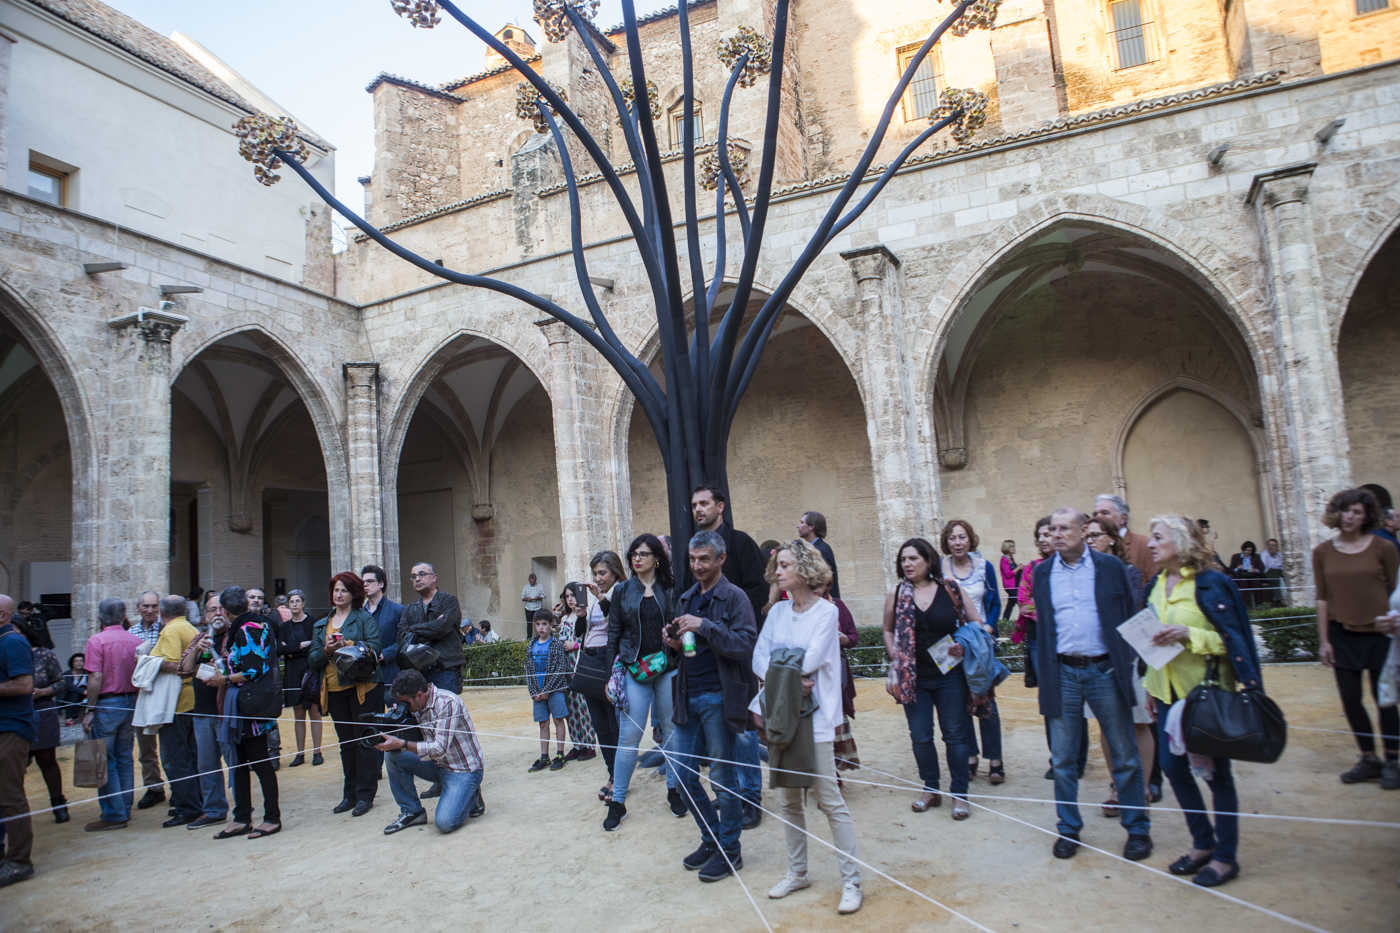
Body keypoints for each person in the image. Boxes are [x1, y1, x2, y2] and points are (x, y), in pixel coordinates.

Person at [1143, 515, 1266, 888]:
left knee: (1216, 776)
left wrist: (1188, 634)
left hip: (1205, 697)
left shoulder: (1213, 584)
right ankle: (1202, 843)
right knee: (1173, 769)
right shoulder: (1155, 584)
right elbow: (1150, 640)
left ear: (1180, 542)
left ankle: (1226, 857)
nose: (1150, 544)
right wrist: (1149, 686)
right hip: (1166, 695)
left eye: (1158, 537)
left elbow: (1233, 641)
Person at [1032, 508, 1152, 861]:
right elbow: (1045, 626)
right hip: (1063, 673)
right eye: (1051, 529)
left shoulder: (1110, 568)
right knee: (1064, 758)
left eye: (1063, 528)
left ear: (1084, 531)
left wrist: (1129, 665)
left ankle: (1137, 829)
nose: (1056, 534)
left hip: (1104, 671)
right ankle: (1068, 829)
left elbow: (1129, 616)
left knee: (1124, 753)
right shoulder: (1042, 573)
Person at [756, 540, 863, 913]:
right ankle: (797, 871)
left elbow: (814, 658)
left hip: (815, 718)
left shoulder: (826, 613)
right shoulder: (777, 613)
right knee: (788, 800)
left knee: (829, 799)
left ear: (804, 569)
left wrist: (781, 669)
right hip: (781, 713)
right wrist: (787, 673)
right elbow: (760, 657)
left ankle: (852, 881)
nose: (779, 571)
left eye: (785, 565)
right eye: (778, 566)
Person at [664, 529, 758, 884]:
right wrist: (675, 644)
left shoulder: (735, 598)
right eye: (692, 559)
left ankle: (730, 850)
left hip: (721, 697)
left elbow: (744, 645)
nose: (697, 565)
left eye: (704, 559)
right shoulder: (686, 597)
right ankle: (712, 838)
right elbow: (689, 651)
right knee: (685, 777)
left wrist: (705, 625)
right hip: (688, 696)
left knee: (722, 777)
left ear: (721, 559)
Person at [1313, 488, 1400, 788]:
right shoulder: (1322, 552)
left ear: (1367, 517)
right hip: (1341, 634)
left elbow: (1396, 589)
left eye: (1357, 512)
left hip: (1380, 635)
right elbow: (1322, 598)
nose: (1349, 517)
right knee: (1351, 700)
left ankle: (1393, 760)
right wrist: (1324, 640)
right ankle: (1368, 758)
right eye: (1345, 510)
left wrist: (1395, 620)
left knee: (1384, 699)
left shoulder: (1383, 548)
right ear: (1337, 512)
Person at [883, 537, 975, 819]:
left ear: (928, 559)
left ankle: (960, 793)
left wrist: (964, 644)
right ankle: (930, 787)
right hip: (914, 678)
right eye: (903, 559)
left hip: (949, 675)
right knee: (921, 736)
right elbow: (887, 629)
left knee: (955, 735)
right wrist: (896, 657)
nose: (907, 564)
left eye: (913, 558)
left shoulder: (951, 589)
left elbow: (977, 623)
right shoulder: (898, 593)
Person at [691, 484, 766, 819]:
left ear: (720, 506)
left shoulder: (742, 544)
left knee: (744, 729)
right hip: (707, 657)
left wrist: (722, 621)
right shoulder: (693, 548)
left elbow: (757, 590)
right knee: (720, 729)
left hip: (736, 651)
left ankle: (750, 797)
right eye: (694, 505)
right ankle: (732, 793)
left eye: (704, 503)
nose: (698, 510)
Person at [605, 533, 679, 831]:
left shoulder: (670, 589)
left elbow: (681, 628)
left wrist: (680, 651)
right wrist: (612, 672)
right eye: (634, 554)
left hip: (667, 668)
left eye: (644, 553)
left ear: (657, 558)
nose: (637, 558)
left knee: (672, 732)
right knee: (628, 738)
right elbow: (613, 634)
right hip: (634, 668)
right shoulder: (623, 590)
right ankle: (617, 801)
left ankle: (675, 790)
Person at [1084, 516, 1156, 815]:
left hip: (1127, 656)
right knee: (1106, 725)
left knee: (1138, 723)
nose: (1089, 540)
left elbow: (1132, 613)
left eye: (1095, 535)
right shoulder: (1084, 574)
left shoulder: (1127, 572)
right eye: (1086, 536)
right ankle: (1116, 786)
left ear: (1112, 538)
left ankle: (1141, 788)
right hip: (1096, 659)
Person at [206, 586, 281, 839]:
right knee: (238, 761)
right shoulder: (252, 624)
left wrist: (223, 679)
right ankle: (241, 816)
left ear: (226, 611)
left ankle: (272, 817)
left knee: (259, 760)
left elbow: (253, 669)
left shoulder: (248, 628)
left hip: (252, 703)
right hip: (243, 701)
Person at [309, 572, 383, 817]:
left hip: (361, 687)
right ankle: (349, 793)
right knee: (346, 744)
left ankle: (365, 794)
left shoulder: (363, 619)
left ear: (353, 594)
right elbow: (312, 660)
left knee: (364, 742)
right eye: (335, 590)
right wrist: (326, 649)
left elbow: (375, 648)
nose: (338, 594)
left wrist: (349, 644)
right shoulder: (321, 624)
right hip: (333, 689)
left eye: (343, 590)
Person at [379, 669, 486, 835]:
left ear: (420, 695)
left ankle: (471, 794)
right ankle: (412, 811)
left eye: (405, 702)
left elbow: (439, 748)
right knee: (393, 755)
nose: (404, 706)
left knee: (445, 823)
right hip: (437, 765)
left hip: (463, 770)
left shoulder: (448, 702)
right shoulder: (414, 705)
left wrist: (403, 743)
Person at [940, 519, 1004, 785]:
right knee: (958, 701)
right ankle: (971, 757)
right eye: (953, 538)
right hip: (953, 644)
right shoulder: (940, 568)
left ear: (971, 539)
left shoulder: (984, 566)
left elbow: (994, 602)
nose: (957, 542)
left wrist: (988, 628)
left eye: (962, 537)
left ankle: (996, 760)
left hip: (980, 641)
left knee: (986, 698)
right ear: (947, 541)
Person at [81, 598, 143, 831]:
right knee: (124, 756)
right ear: (123, 615)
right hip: (131, 701)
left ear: (100, 616)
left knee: (106, 759)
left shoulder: (97, 640)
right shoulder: (135, 640)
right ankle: (124, 806)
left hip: (108, 703)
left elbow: (95, 678)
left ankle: (114, 813)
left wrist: (90, 709)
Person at [149, 594, 201, 826]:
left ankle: (187, 807)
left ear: (162, 613)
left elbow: (175, 665)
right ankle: (191, 800)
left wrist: (147, 661)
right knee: (189, 755)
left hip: (176, 702)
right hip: (188, 700)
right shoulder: (189, 627)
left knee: (175, 758)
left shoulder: (171, 631)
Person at [185, 590, 232, 829]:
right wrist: (197, 649)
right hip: (203, 712)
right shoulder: (199, 637)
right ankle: (214, 809)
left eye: (220, 609)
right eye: (211, 610)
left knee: (237, 763)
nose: (217, 614)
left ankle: (245, 807)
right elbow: (183, 668)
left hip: (227, 711)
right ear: (204, 615)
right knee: (207, 764)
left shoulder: (234, 636)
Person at [0, 594, 37, 887]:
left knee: (10, 795)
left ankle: (19, 859)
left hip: (12, 728)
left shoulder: (12, 642)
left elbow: (25, 684)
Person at [18, 613, 66, 824]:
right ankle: (17, 810)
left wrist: (43, 691)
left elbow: (61, 683)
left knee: (47, 760)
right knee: (16, 765)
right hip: (17, 714)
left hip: (42, 711)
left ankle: (59, 803)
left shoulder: (44, 655)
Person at [585, 551, 625, 800]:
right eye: (595, 573)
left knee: (614, 725)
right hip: (591, 663)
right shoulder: (596, 598)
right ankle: (612, 772)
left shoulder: (622, 592)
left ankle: (619, 779)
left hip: (610, 663)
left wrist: (600, 598)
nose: (598, 578)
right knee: (600, 725)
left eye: (602, 573)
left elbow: (618, 623)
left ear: (615, 572)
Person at [398, 563, 465, 695]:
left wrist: (413, 630)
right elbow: (402, 636)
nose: (417, 579)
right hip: (419, 672)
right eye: (413, 576)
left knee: (446, 711)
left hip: (445, 668)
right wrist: (433, 625)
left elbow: (442, 628)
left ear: (434, 577)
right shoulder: (410, 609)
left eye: (422, 574)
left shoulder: (449, 601)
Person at [128, 590, 166, 811]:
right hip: (142, 693)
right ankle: (154, 786)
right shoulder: (131, 633)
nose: (150, 610)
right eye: (145, 606)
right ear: (138, 608)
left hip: (166, 691)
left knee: (172, 744)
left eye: (153, 606)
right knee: (146, 745)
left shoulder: (166, 630)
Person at [279, 590, 322, 767]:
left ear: (303, 603)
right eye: (291, 601)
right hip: (292, 673)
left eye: (297, 601)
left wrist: (291, 649)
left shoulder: (313, 623)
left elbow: (315, 645)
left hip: (310, 669)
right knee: (298, 713)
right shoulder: (283, 627)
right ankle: (300, 753)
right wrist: (299, 646)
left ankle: (317, 752)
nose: (295, 604)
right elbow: (280, 650)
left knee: (314, 712)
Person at [525, 609, 571, 773]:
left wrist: (548, 690)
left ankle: (560, 754)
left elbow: (560, 668)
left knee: (559, 720)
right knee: (543, 723)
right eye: (537, 624)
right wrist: (534, 691)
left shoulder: (556, 644)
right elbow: (528, 670)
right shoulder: (531, 645)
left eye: (544, 624)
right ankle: (544, 756)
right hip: (537, 692)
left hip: (555, 690)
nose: (541, 628)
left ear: (551, 624)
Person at [555, 584, 597, 762]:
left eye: (573, 595)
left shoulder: (585, 616)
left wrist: (576, 645)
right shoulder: (565, 618)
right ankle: (577, 744)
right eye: (567, 596)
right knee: (570, 707)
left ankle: (589, 745)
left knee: (583, 706)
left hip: (580, 664)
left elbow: (591, 638)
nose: (570, 599)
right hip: (566, 666)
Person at [1094, 494, 1154, 580]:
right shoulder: (1091, 545)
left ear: (1123, 519)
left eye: (1105, 513)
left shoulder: (1144, 544)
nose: (1098, 517)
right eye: (1095, 514)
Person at [363, 565, 404, 691]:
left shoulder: (398, 610)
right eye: (363, 582)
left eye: (369, 581)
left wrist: (384, 654)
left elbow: (405, 640)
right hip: (365, 676)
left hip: (390, 673)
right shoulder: (358, 613)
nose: (365, 585)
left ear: (381, 584)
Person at [798, 510, 840, 599]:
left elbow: (822, 582)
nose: (798, 526)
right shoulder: (810, 548)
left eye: (802, 523)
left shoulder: (821, 550)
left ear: (811, 527)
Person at [1227, 541, 1266, 609]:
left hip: (1252, 575)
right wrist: (1237, 568)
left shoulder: (1256, 556)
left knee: (1256, 582)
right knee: (1243, 583)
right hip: (1241, 575)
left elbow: (1262, 568)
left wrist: (1255, 570)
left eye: (1250, 550)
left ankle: (1259, 605)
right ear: (1243, 549)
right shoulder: (1236, 556)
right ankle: (1246, 605)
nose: (1248, 552)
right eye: (1246, 550)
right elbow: (1230, 570)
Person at [999, 540, 1018, 624]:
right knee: (1021, 602)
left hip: (1015, 585)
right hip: (1010, 586)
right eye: (1012, 546)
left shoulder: (1010, 558)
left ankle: (1004, 622)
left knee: (1010, 605)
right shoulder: (1004, 559)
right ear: (1008, 548)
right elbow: (1008, 574)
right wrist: (1019, 568)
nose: (1014, 548)